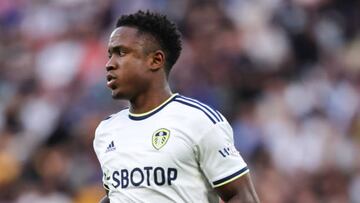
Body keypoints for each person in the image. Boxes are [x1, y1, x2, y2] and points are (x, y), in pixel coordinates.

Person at [93, 10, 260, 203]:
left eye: (121, 53)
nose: (109, 64)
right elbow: (120, 195)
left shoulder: (198, 121)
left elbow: (242, 196)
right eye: (109, 55)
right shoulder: (106, 131)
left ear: (155, 60)